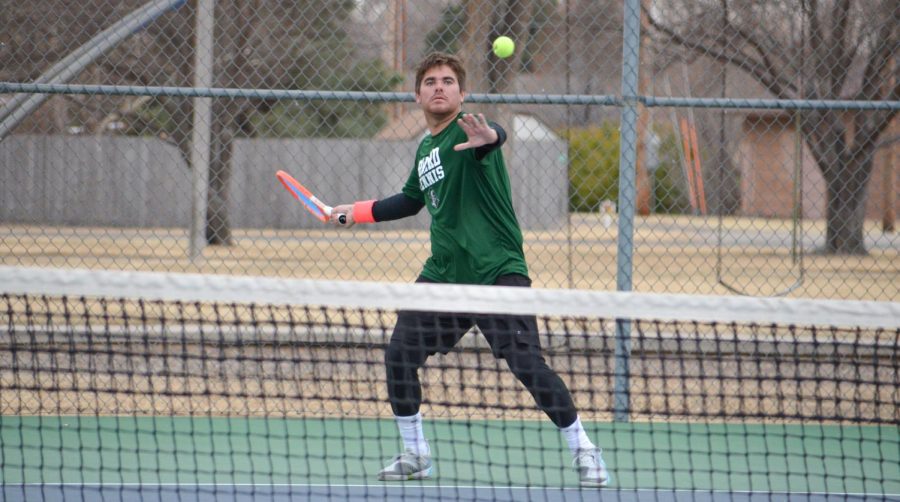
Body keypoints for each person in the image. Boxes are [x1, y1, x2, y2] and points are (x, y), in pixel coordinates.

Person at [329, 52, 610, 487]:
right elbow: (409, 200)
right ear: (417, 94)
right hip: (443, 275)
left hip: (497, 271)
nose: (438, 87)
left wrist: (490, 136)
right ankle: (415, 452)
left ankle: (585, 451)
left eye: (447, 81)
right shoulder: (425, 148)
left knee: (527, 366)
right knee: (399, 355)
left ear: (462, 93)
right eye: (430, 82)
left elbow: (492, 138)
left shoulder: (469, 134)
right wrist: (356, 212)